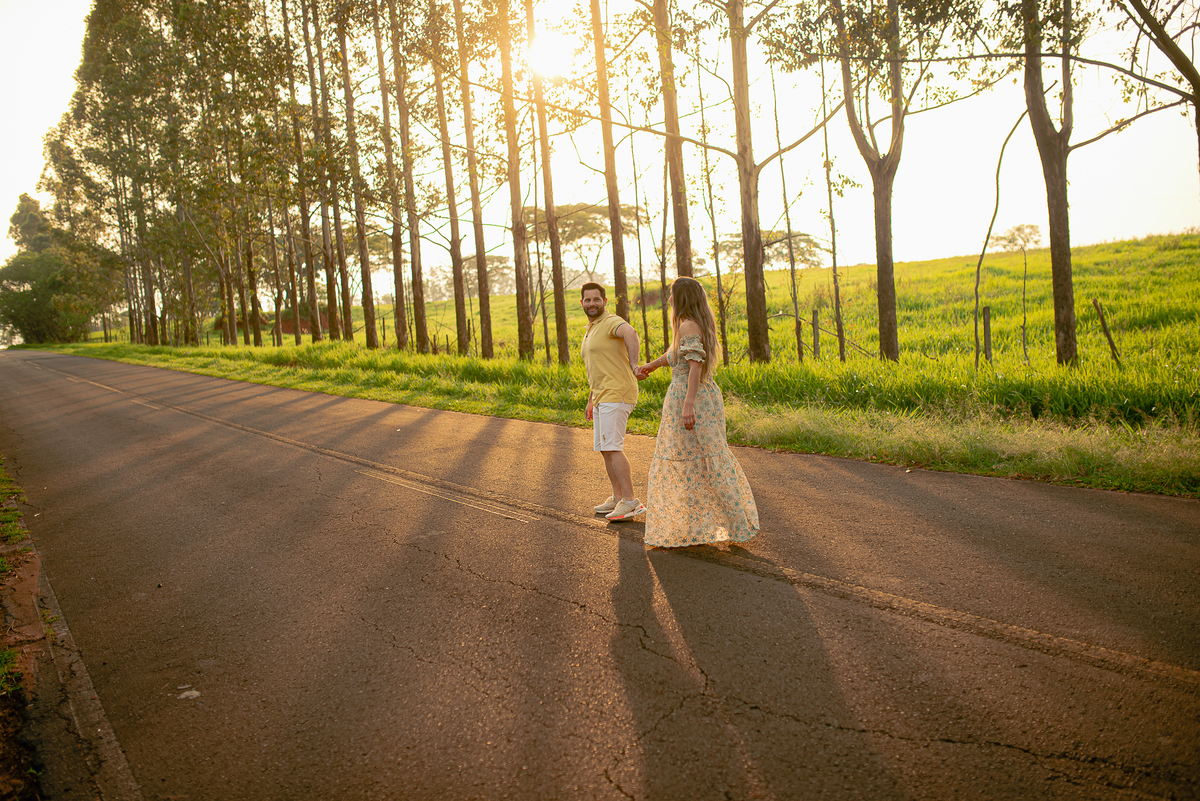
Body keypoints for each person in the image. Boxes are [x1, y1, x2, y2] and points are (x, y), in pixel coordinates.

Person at [636, 276, 759, 547]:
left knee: (696, 458)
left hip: (691, 397)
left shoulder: (689, 323)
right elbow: (675, 355)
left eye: (671, 295)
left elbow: (695, 366)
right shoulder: (689, 323)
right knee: (697, 459)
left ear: (681, 298)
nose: (668, 300)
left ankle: (717, 524)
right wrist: (651, 366)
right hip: (697, 396)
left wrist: (688, 404)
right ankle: (698, 526)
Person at [580, 282, 646, 521]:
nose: (592, 304)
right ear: (582, 303)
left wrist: (635, 365)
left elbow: (631, 333)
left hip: (617, 393)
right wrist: (591, 399)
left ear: (604, 302)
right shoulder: (591, 328)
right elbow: (597, 368)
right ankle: (618, 498)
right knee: (605, 450)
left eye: (596, 299)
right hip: (601, 396)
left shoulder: (610, 322)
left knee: (612, 447)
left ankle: (631, 501)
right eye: (588, 300)